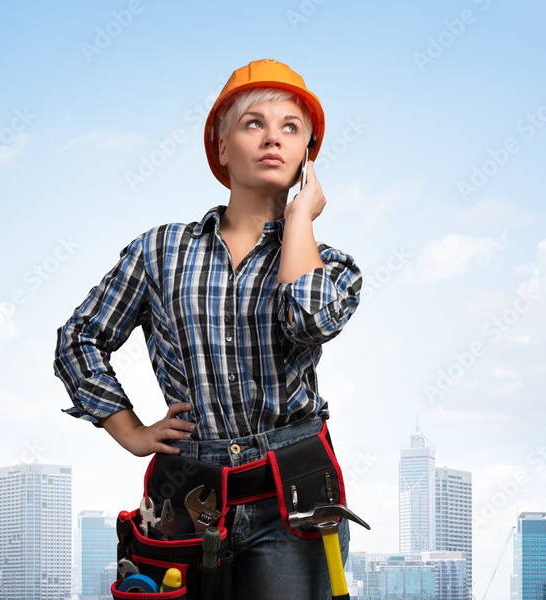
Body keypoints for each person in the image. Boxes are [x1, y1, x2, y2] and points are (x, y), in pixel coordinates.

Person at [54, 58, 362, 599]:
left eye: (292, 128)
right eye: (254, 124)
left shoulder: (333, 269)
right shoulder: (161, 251)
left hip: (294, 491)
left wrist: (298, 222)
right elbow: (79, 338)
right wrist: (128, 431)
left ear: (307, 160)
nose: (274, 139)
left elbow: (308, 319)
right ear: (221, 148)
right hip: (187, 490)